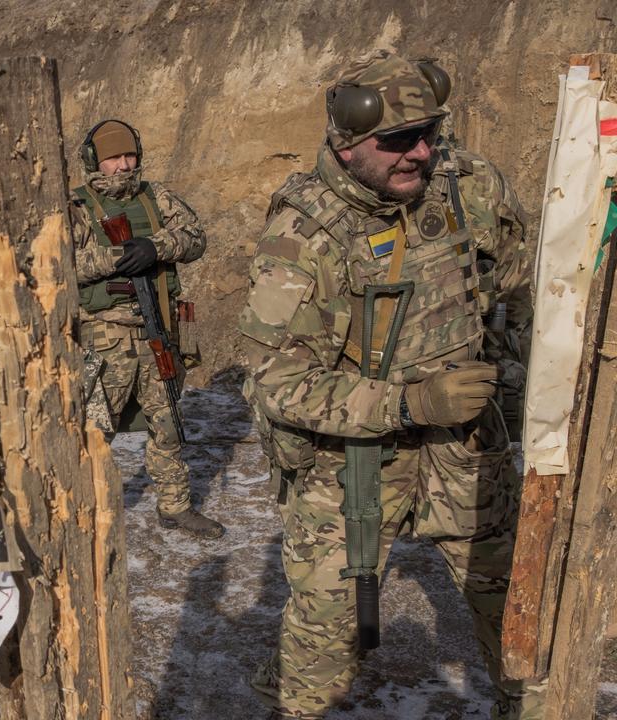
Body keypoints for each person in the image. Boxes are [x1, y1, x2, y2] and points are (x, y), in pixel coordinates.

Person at [239, 51, 540, 718]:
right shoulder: (304, 233)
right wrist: (410, 402)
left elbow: (519, 283)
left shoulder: (468, 184)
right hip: (350, 467)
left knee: (522, 619)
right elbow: (275, 382)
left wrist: (520, 383)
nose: (421, 153)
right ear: (347, 145)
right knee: (322, 646)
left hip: (468, 453)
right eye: (399, 140)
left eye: (430, 133)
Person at [72, 119, 225, 538]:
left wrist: (155, 247)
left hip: (157, 327)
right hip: (105, 339)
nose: (123, 165)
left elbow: (195, 237)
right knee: (93, 432)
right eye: (113, 158)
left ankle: (175, 507)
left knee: (168, 424)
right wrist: (116, 258)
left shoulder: (156, 198)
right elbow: (60, 265)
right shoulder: (77, 207)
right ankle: (84, 514)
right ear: (94, 161)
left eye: (129, 156)